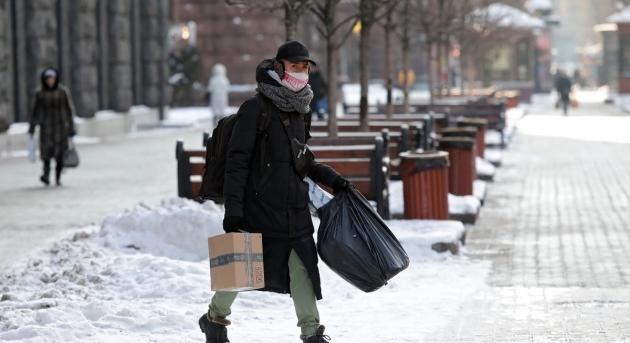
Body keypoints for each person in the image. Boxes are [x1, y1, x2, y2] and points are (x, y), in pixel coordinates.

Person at [198, 41, 351, 343]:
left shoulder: (300, 109)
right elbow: (237, 162)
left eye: (306, 67)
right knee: (243, 266)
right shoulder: (255, 109)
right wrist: (234, 210)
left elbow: (302, 160)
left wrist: (334, 180)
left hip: (294, 206)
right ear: (279, 67)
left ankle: (312, 332)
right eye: (295, 66)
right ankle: (214, 318)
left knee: (303, 267)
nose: (302, 72)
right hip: (261, 207)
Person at [28, 67, 76, 186]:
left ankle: (58, 177)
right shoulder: (40, 93)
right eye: (48, 79)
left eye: (52, 79)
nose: (50, 81)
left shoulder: (62, 92)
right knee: (46, 154)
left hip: (60, 128)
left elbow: (69, 110)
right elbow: (35, 111)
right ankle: (46, 175)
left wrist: (71, 128)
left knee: (60, 154)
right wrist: (32, 128)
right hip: (46, 128)